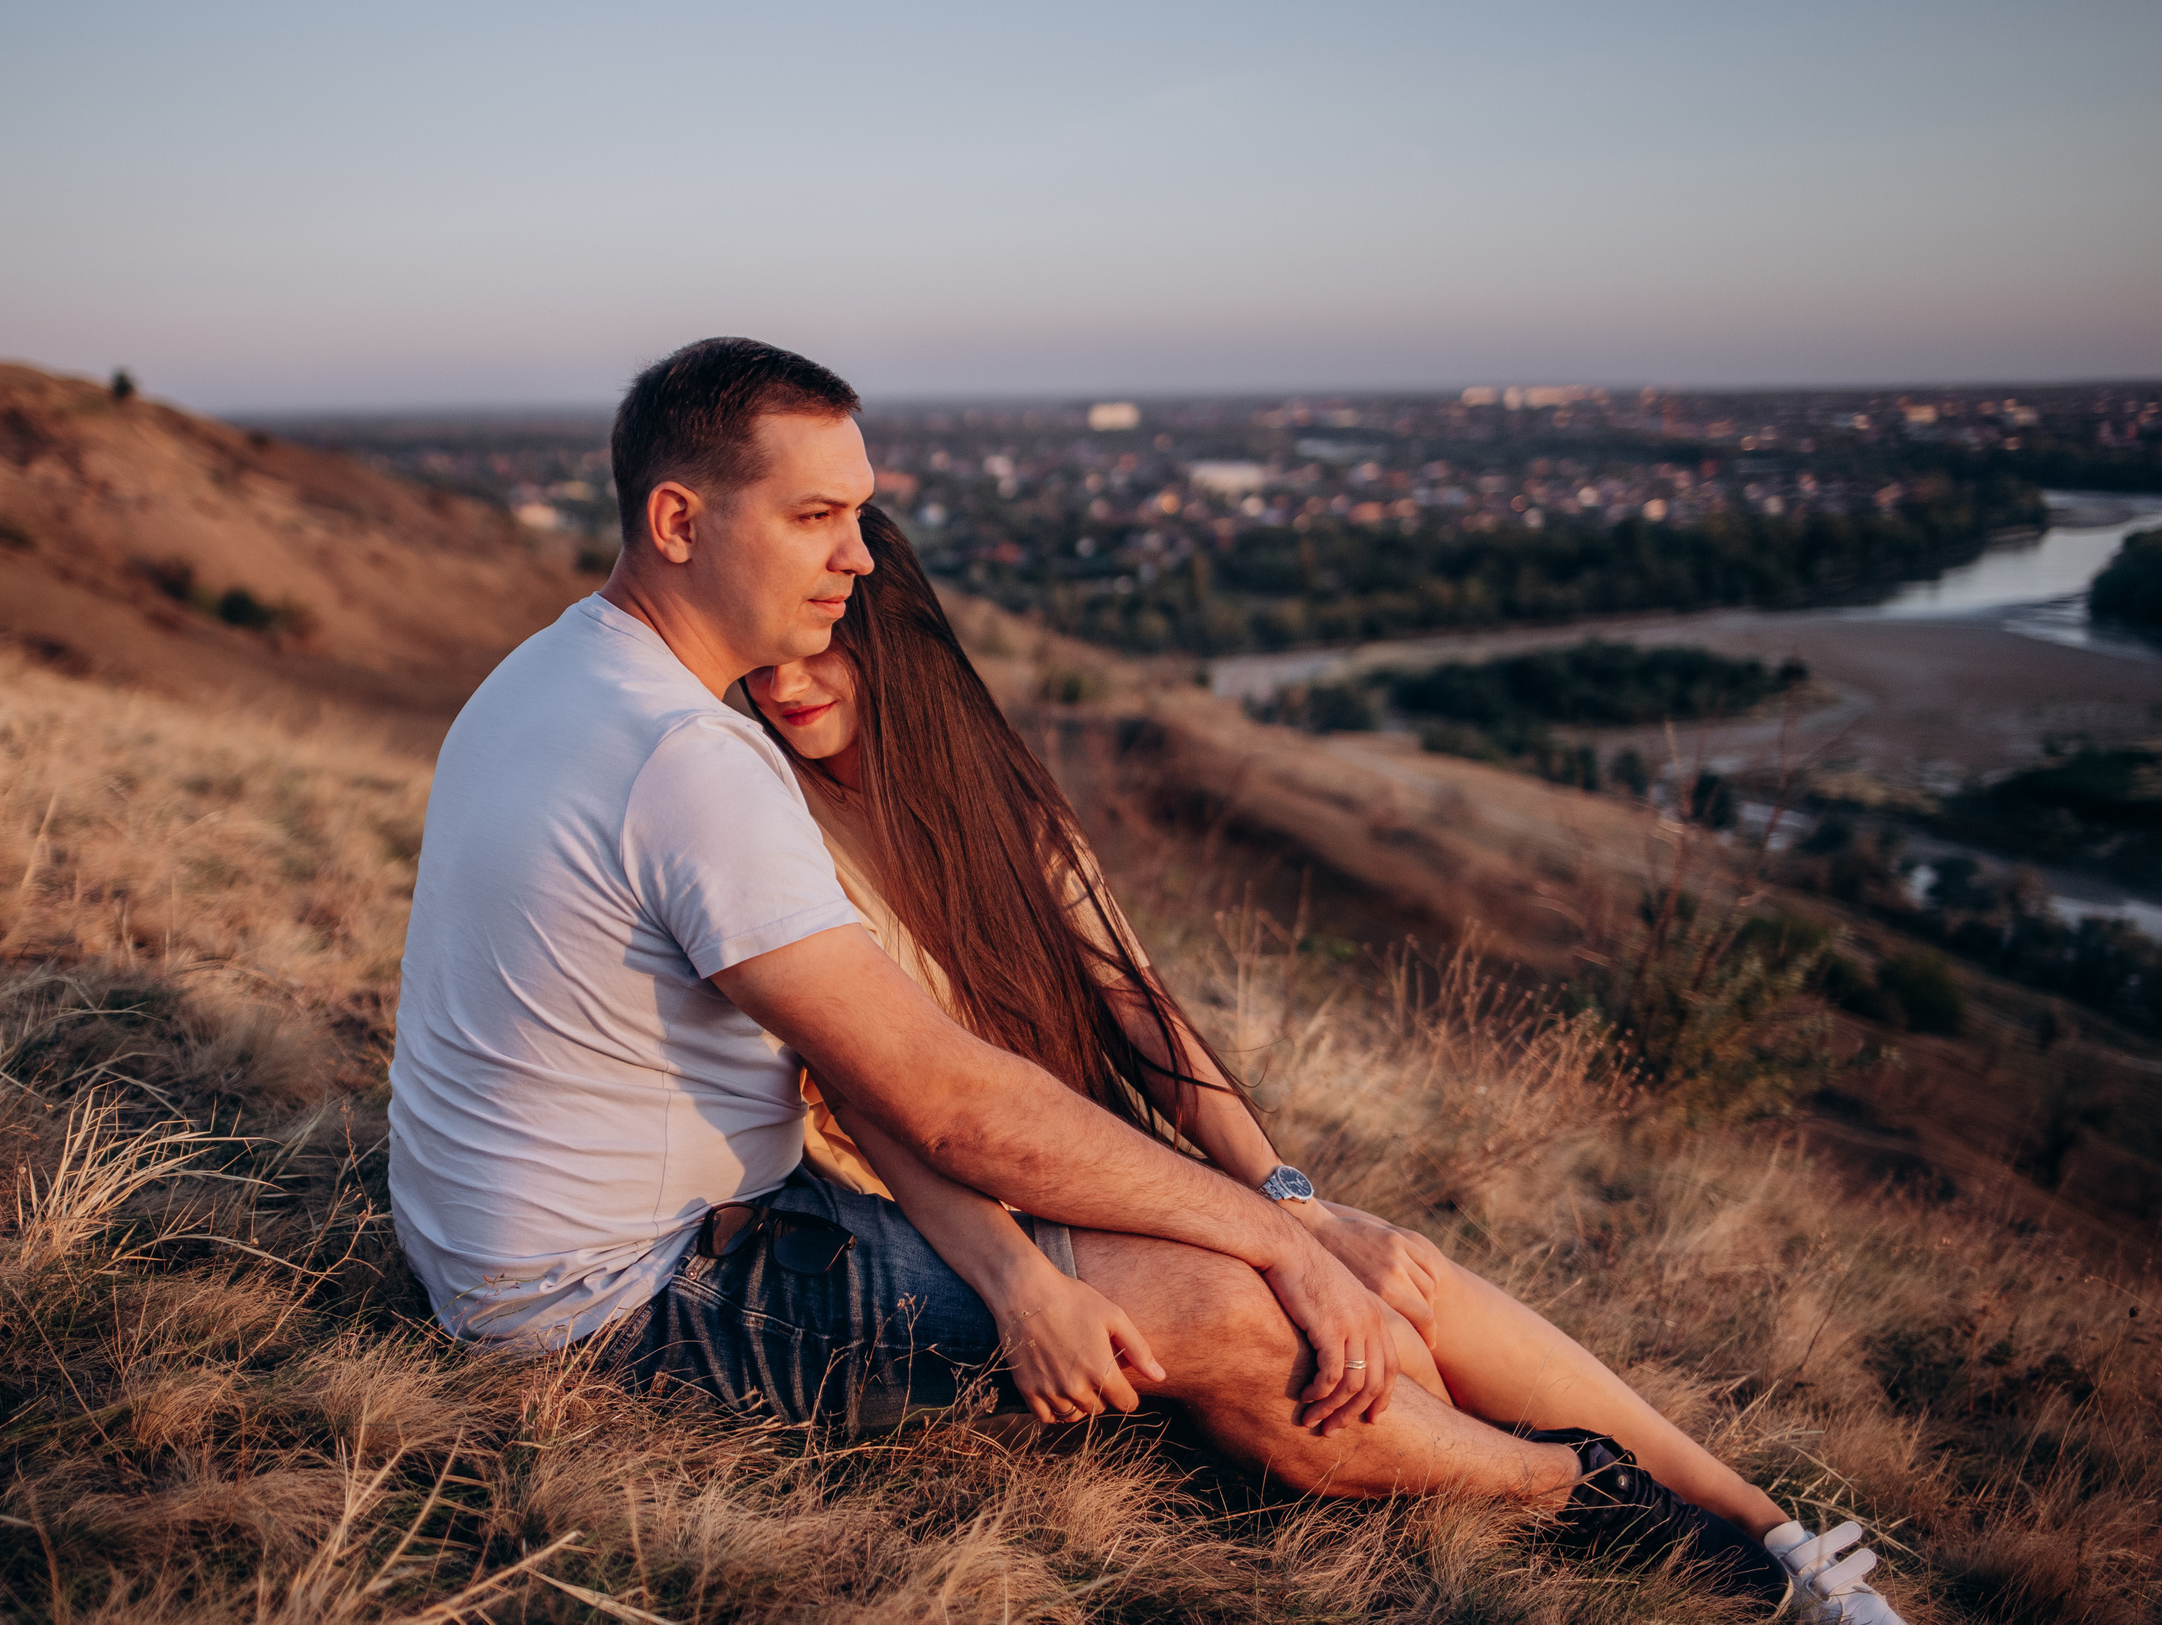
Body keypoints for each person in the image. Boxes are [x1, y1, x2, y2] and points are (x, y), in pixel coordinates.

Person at [388, 337, 1899, 1623]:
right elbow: (941, 1101)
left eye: (861, 519)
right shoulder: (693, 761)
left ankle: (1746, 1516)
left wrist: (1286, 1200)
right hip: (628, 1300)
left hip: (558, 1248)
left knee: (1327, 1263)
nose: (857, 553)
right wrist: (1267, 1239)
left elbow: (1073, 1027)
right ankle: (1595, 1496)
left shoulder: (553, 673)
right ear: (676, 517)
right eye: (819, 514)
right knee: (1251, 1308)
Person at [741, 503, 1910, 1622]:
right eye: (766, 660)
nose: (788, 683)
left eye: (824, 650)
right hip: (934, 1206)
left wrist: (1289, 1196)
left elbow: (1142, 1011)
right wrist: (1019, 1279)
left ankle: (1768, 1533)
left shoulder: (990, 802)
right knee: (1355, 1343)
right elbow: (882, 1103)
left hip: (1082, 1169)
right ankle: (1602, 1510)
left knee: (1400, 1276)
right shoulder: (776, 831)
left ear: (894, 644)